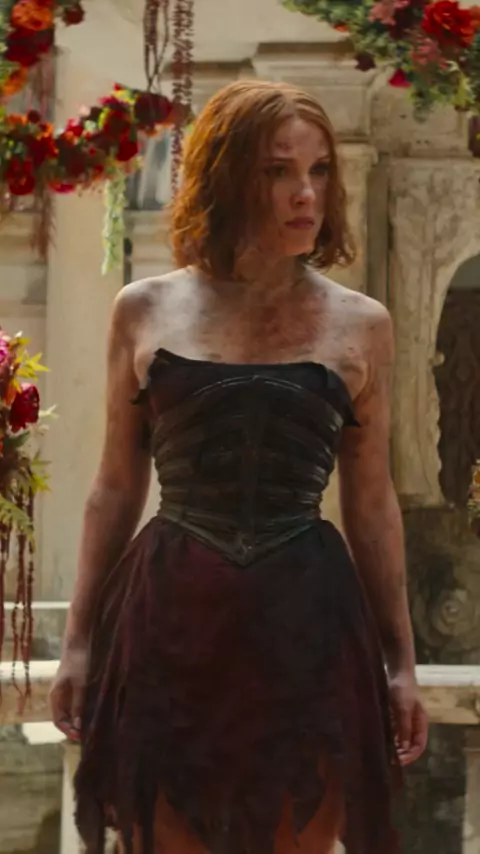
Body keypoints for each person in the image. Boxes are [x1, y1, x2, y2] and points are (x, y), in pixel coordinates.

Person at [50, 79, 428, 854]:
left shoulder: (362, 324)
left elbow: (372, 503)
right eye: (277, 171)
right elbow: (114, 487)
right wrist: (79, 643)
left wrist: (400, 663)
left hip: (308, 620)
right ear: (224, 178)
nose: (305, 193)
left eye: (319, 170)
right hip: (172, 615)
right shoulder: (144, 309)